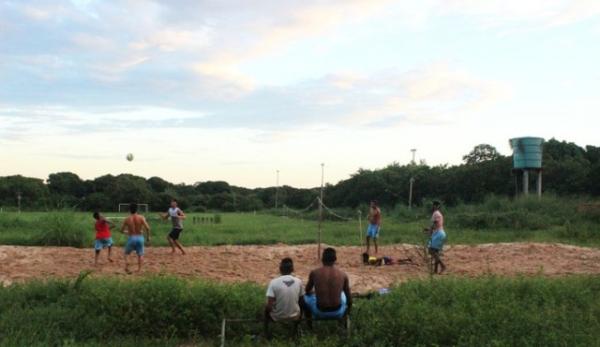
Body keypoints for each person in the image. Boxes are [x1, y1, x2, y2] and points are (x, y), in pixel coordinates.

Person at [304, 248, 352, 325]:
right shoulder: (343, 274)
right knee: (343, 294)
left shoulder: (314, 273)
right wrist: (347, 312)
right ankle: (343, 322)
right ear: (335, 259)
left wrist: (315, 293)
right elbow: (349, 299)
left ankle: (309, 325)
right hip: (338, 312)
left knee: (305, 297)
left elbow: (307, 290)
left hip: (319, 312)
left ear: (322, 259)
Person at [264, 258, 304, 337]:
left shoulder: (273, 282)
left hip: (278, 317)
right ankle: (296, 328)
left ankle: (266, 332)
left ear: (280, 269)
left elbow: (269, 306)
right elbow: (301, 301)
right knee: (301, 305)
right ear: (292, 269)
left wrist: (267, 311)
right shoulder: (298, 281)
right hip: (295, 316)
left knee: (265, 309)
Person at [120, 203, 151, 274]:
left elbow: (121, 230)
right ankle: (139, 270)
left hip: (131, 237)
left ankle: (127, 265)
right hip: (140, 237)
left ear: (129, 210)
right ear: (137, 209)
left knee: (126, 253)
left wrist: (127, 232)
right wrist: (148, 237)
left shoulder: (127, 219)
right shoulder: (141, 217)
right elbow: (148, 228)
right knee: (140, 254)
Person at [427, 200, 447, 274]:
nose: (432, 207)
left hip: (438, 233)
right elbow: (436, 224)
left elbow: (435, 223)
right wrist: (430, 229)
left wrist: (430, 230)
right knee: (435, 252)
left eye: (433, 205)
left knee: (431, 250)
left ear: (435, 206)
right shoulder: (438, 213)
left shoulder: (436, 213)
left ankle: (443, 266)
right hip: (439, 233)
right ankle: (435, 270)